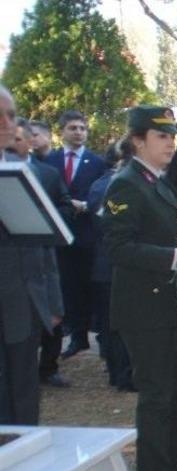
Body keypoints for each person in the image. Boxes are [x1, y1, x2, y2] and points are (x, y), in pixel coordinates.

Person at [102, 105, 177, 471]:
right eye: (161, 136)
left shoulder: (157, 181)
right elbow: (118, 247)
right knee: (156, 395)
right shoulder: (126, 184)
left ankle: (173, 468)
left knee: (174, 391)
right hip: (145, 310)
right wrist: (176, 256)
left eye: (172, 136)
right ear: (138, 141)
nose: (171, 143)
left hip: (170, 306)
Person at [0, 86, 64, 425]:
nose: (6, 124)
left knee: (24, 392)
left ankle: (23, 447)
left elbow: (44, 242)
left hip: (24, 303)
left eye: (11, 115)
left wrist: (52, 302)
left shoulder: (24, 171)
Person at [5, 118, 75, 388]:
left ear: (29, 142)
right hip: (10, 275)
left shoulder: (47, 174)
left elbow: (65, 207)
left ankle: (48, 367)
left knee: (48, 320)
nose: (12, 144)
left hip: (42, 260)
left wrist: (43, 218)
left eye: (17, 139)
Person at [44, 110, 107, 360]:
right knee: (67, 288)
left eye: (82, 128)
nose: (78, 132)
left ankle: (97, 338)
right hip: (60, 235)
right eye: (73, 128)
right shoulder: (50, 161)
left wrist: (86, 205)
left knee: (90, 287)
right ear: (62, 131)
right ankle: (75, 337)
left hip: (88, 234)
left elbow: (103, 196)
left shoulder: (97, 162)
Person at [85, 140, 133, 391]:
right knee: (120, 323)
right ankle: (124, 374)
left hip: (106, 265)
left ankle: (118, 372)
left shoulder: (100, 184)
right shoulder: (115, 185)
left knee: (112, 324)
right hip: (116, 264)